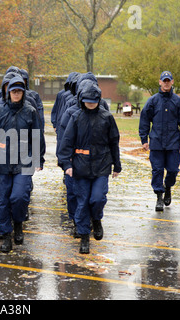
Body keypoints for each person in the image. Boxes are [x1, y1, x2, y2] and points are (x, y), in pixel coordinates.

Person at [0, 76, 45, 253]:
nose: (16, 94)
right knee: (2, 200)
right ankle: (6, 235)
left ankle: (18, 223)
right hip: (2, 162)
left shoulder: (30, 111)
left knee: (19, 197)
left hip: (24, 161)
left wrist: (38, 159)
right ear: (8, 92)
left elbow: (37, 136)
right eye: (13, 91)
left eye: (19, 91)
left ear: (23, 93)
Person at [58, 80, 121, 254]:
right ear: (81, 100)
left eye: (94, 101)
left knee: (98, 198)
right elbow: (66, 142)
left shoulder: (107, 118)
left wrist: (117, 164)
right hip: (80, 167)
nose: (91, 104)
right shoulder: (76, 117)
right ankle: (84, 237)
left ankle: (97, 219)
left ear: (99, 100)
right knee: (83, 201)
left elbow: (114, 142)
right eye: (87, 100)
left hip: (101, 166)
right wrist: (66, 164)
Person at [139, 71, 180, 211]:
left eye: (168, 80)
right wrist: (144, 139)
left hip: (173, 142)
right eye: (164, 80)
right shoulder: (153, 101)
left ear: (172, 82)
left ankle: (168, 187)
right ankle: (159, 197)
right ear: (160, 82)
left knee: (173, 170)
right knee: (157, 170)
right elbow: (144, 120)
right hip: (156, 142)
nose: (166, 83)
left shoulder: (178, 101)